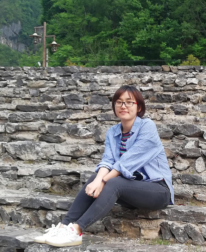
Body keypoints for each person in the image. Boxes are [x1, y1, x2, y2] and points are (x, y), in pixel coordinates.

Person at [34, 85, 174, 247]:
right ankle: (64, 226)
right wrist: (99, 179)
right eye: (119, 102)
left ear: (139, 107)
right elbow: (107, 161)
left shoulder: (147, 127)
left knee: (112, 181)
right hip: (130, 189)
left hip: (158, 190)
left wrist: (103, 181)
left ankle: (76, 230)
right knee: (96, 176)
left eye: (129, 102)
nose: (123, 106)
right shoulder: (113, 132)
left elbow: (128, 161)